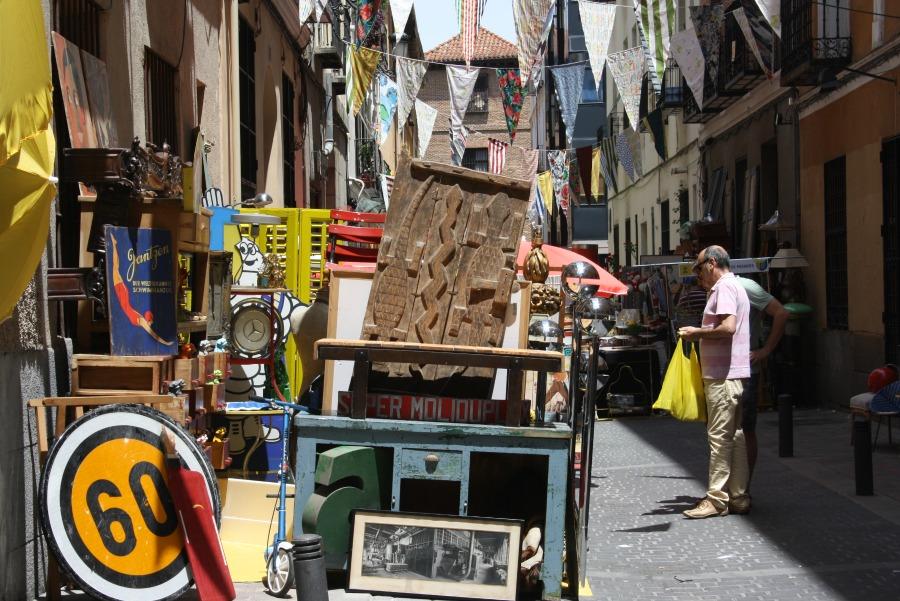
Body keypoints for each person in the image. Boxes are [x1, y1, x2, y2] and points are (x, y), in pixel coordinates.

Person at [678, 246, 751, 518]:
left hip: (723, 375)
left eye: (698, 268)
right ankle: (738, 496)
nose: (697, 275)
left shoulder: (723, 289)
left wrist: (696, 332)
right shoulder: (736, 286)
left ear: (711, 264)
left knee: (719, 437)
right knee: (735, 435)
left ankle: (717, 498)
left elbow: (728, 327)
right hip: (733, 373)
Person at [735, 276, 789, 486]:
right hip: (723, 370)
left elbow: (781, 313)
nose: (699, 279)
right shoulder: (716, 290)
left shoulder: (746, 286)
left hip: (745, 370)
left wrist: (765, 350)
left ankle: (743, 488)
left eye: (700, 270)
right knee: (724, 431)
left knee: (745, 429)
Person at [109, 234, 173, 346]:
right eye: (151, 323)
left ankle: (114, 245)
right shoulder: (141, 320)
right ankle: (114, 244)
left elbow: (153, 334)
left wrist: (166, 343)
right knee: (115, 267)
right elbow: (153, 334)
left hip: (123, 295)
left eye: (151, 322)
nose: (151, 325)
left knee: (115, 267)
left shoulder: (142, 319)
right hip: (123, 295)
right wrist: (166, 343)